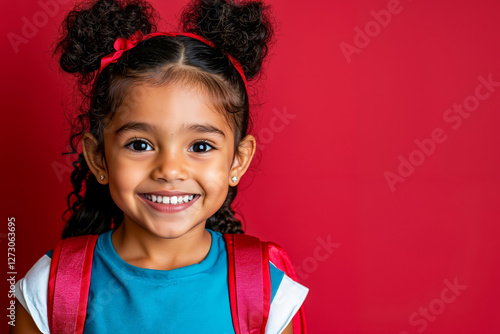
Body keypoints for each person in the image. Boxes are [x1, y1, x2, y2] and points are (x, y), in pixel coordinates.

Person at [11, 0, 308, 333]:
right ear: (98, 158)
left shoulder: (269, 293)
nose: (169, 169)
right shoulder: (49, 291)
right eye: (140, 145)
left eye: (200, 146)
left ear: (237, 160)